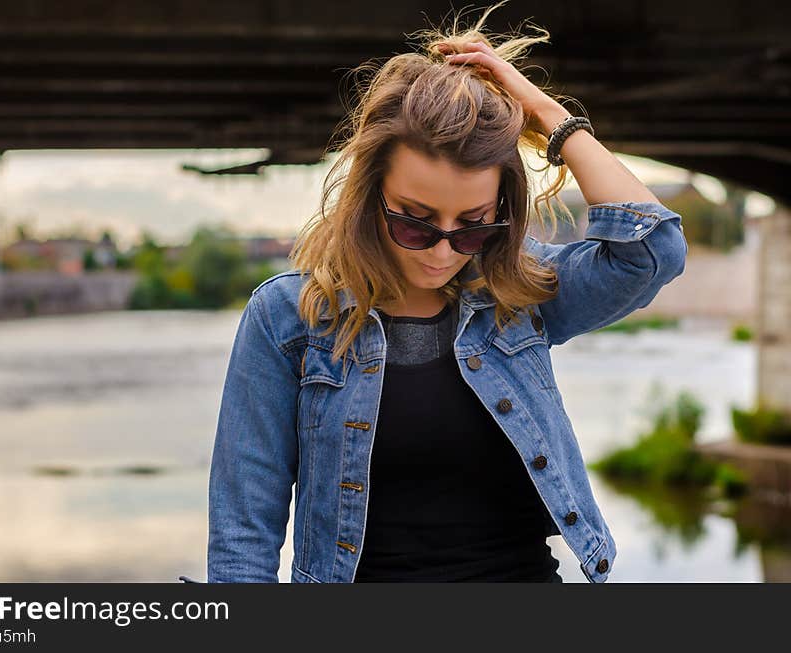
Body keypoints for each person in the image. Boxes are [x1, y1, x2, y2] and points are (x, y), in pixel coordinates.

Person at [205, 5, 687, 583]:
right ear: (370, 193)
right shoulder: (289, 318)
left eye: (474, 225)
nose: (442, 251)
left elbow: (651, 251)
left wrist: (548, 115)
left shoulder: (518, 294)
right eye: (415, 221)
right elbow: (243, 531)